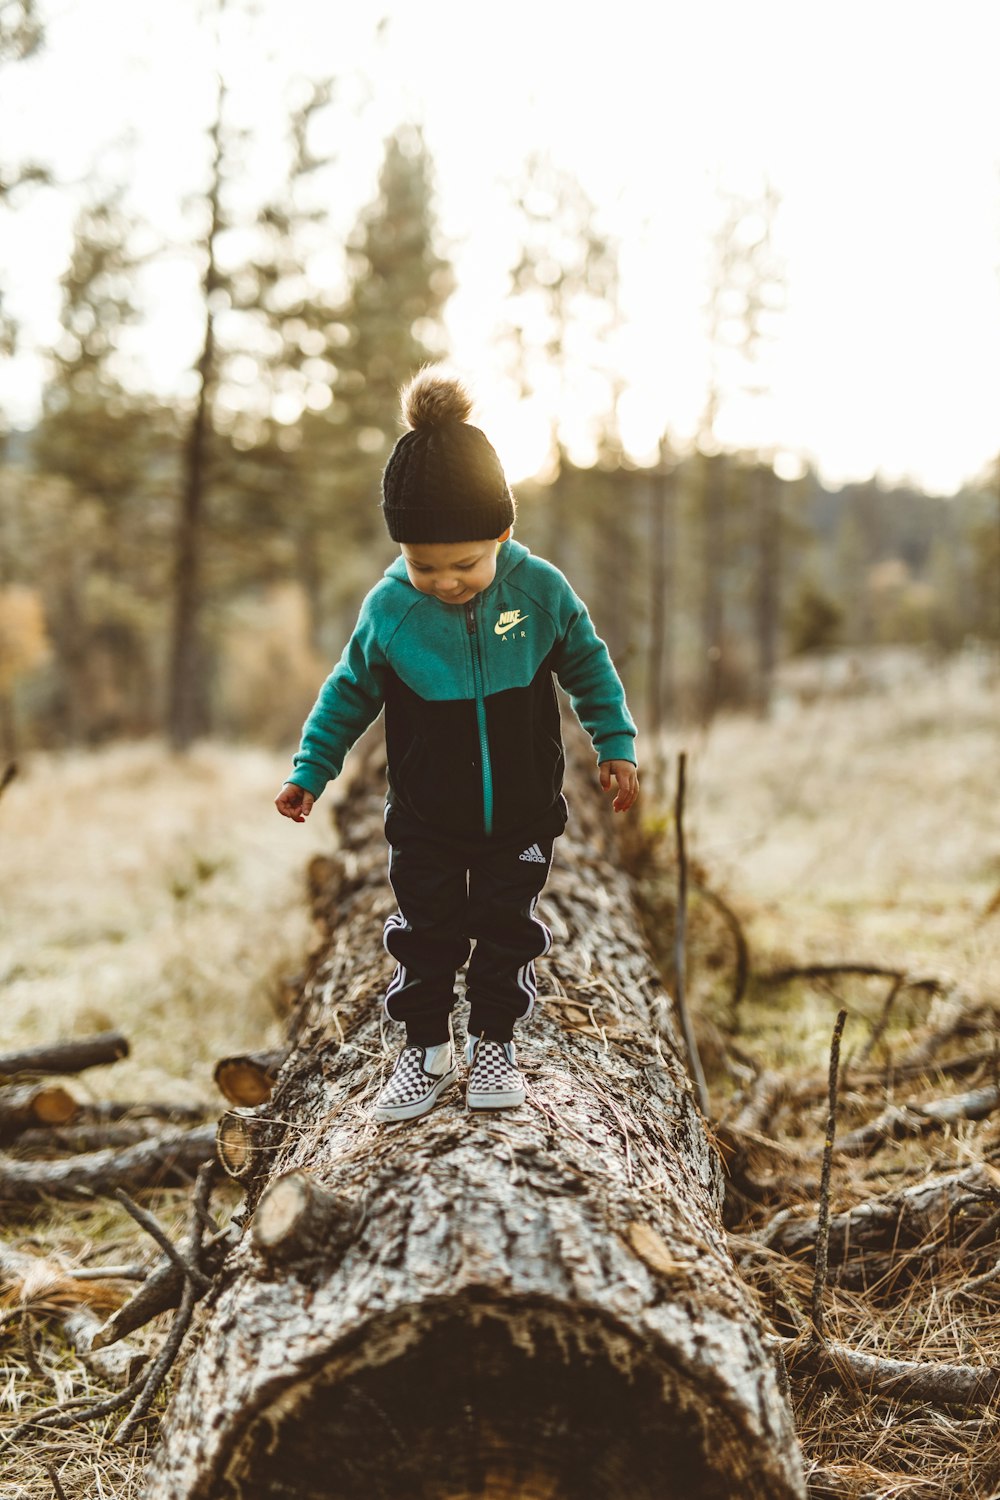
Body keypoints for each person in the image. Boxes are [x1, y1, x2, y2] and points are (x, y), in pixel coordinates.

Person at [275, 369, 639, 1122]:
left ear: (502, 534)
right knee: (427, 934)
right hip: (427, 819)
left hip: (522, 813)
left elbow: (588, 663)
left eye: (465, 563)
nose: (445, 582)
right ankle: (427, 1049)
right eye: (424, 564)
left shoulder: (538, 591)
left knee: (508, 931)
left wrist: (615, 744)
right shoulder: (392, 611)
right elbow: (348, 692)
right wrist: (311, 770)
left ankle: (495, 1041)